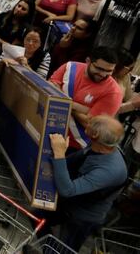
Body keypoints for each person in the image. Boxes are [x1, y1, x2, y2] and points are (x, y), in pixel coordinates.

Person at [48, 116, 128, 251]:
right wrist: (60, 156)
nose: (88, 122)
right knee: (37, 217)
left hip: (82, 217)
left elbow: (67, 190)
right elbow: (74, 160)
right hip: (72, 202)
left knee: (62, 249)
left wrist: (59, 154)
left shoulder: (109, 170)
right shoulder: (99, 145)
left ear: (95, 135)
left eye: (92, 123)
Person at [49, 46, 123, 150]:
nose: (103, 74)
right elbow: (49, 88)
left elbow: (91, 124)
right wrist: (83, 109)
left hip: (75, 145)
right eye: (99, 68)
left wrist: (66, 103)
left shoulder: (113, 92)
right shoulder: (69, 67)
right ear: (88, 61)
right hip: (48, 128)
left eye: (109, 71)